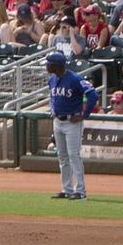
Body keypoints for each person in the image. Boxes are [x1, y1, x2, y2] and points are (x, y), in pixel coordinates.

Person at [45, 47, 101, 199]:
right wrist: (53, 109)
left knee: (73, 155)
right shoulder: (52, 79)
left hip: (72, 121)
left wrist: (84, 114)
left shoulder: (75, 78)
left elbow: (93, 95)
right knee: (62, 156)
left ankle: (80, 191)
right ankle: (67, 189)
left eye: (49, 64)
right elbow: (53, 97)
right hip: (58, 120)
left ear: (58, 65)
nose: (46, 66)